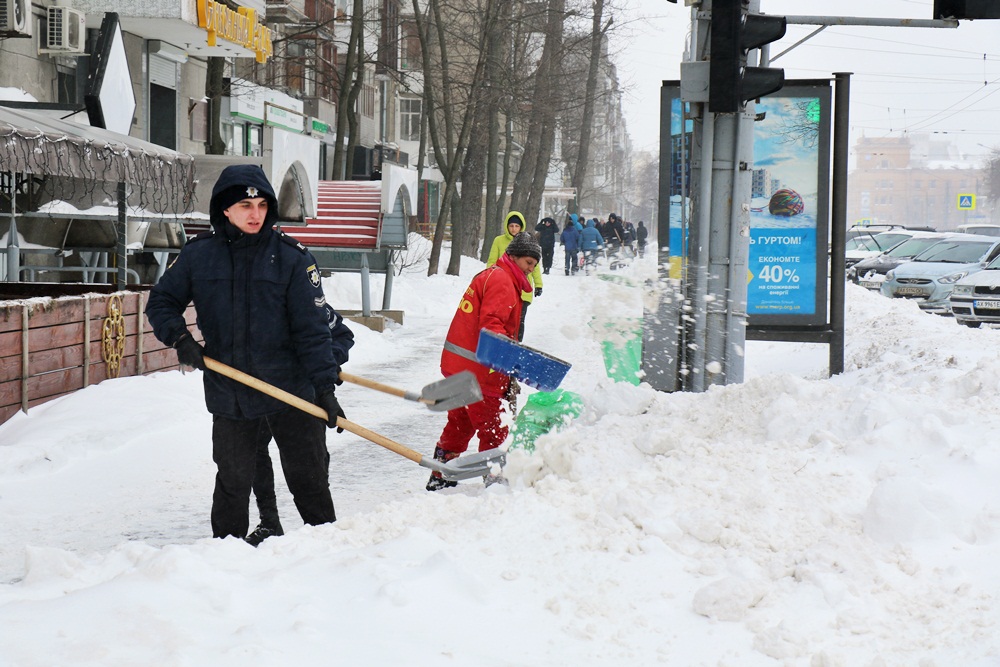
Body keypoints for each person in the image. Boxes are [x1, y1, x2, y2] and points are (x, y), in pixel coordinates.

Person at [145, 164, 353, 545]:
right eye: (245, 205)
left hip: (291, 388)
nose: (255, 214)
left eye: (261, 205)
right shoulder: (199, 256)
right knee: (233, 482)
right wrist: (180, 338)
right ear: (225, 209)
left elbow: (312, 331)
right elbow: (161, 302)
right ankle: (226, 559)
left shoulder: (292, 258)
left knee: (309, 480)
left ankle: (328, 554)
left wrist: (325, 388)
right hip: (231, 389)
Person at [426, 232, 542, 491]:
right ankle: (496, 481)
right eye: (527, 263)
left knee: (460, 422)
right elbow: (491, 328)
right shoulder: (502, 280)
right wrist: (514, 359)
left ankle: (441, 474)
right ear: (512, 256)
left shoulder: (490, 274)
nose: (530, 270)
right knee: (493, 427)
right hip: (479, 372)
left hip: (458, 366)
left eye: (534, 266)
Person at [248, 301, 354, 545]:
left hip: (304, 392)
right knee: (253, 452)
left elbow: (342, 335)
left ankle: (322, 532)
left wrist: (324, 362)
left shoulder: (305, 298)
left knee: (309, 465)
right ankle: (269, 522)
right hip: (257, 390)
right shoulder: (250, 300)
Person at [487, 211, 543, 341]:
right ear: (507, 226)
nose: (514, 229)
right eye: (511, 226)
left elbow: (534, 266)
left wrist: (538, 284)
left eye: (517, 226)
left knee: (519, 320)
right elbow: (492, 261)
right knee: (504, 317)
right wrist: (490, 279)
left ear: (521, 226)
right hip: (503, 286)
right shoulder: (499, 241)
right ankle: (504, 342)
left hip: (523, 289)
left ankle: (517, 343)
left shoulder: (528, 242)